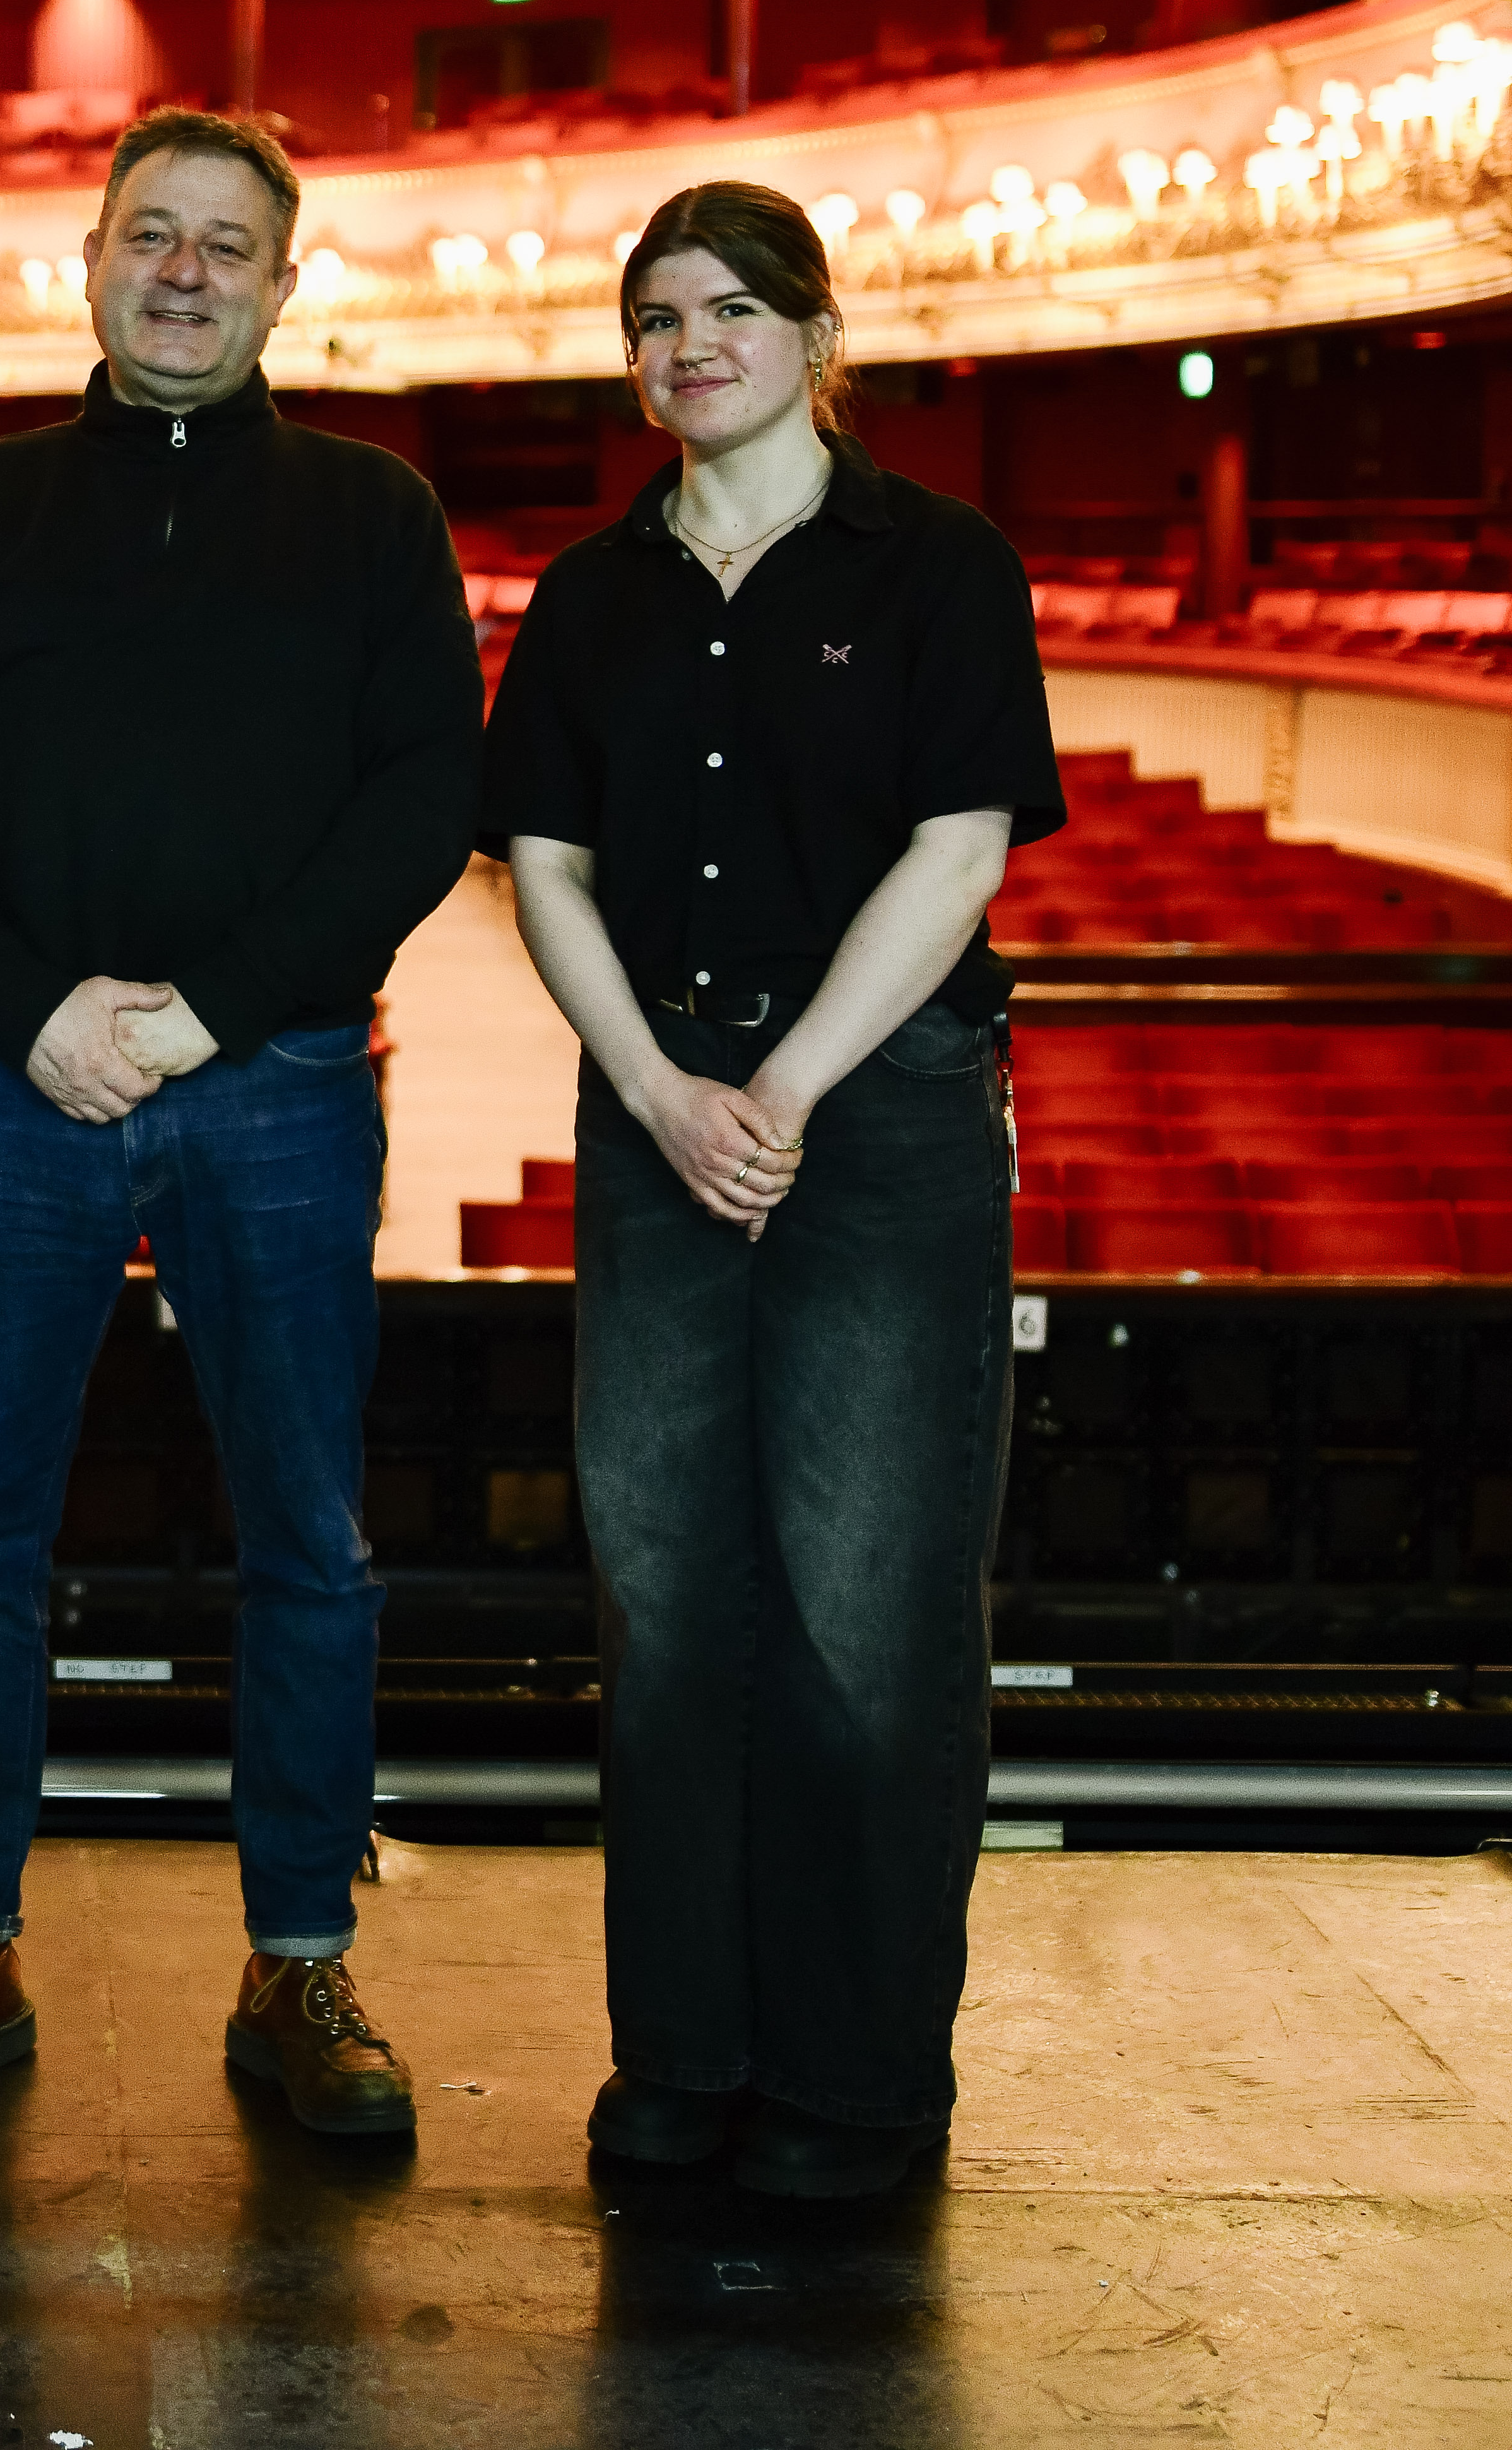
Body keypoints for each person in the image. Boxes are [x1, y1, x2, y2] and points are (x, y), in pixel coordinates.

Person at [0, 108, 485, 2138]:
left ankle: (301, 1960)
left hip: (275, 1078)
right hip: (20, 1082)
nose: (186, 272)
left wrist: (207, 1009)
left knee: (307, 1541)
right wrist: (38, 1013)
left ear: (285, 288)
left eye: (229, 246)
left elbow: (417, 799)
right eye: (153, 236)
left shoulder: (376, 513)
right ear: (89, 258)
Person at [483, 180, 1064, 2202]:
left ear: (819, 333)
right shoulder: (589, 596)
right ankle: (687, 2054)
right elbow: (539, 863)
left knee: (870, 1608)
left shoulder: (937, 565)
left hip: (878, 1106)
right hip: (662, 1108)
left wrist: (785, 1083)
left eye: (731, 306)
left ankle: (855, 2076)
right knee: (667, 1597)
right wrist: (658, 1087)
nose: (687, 342)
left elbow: (962, 848)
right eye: (653, 316)